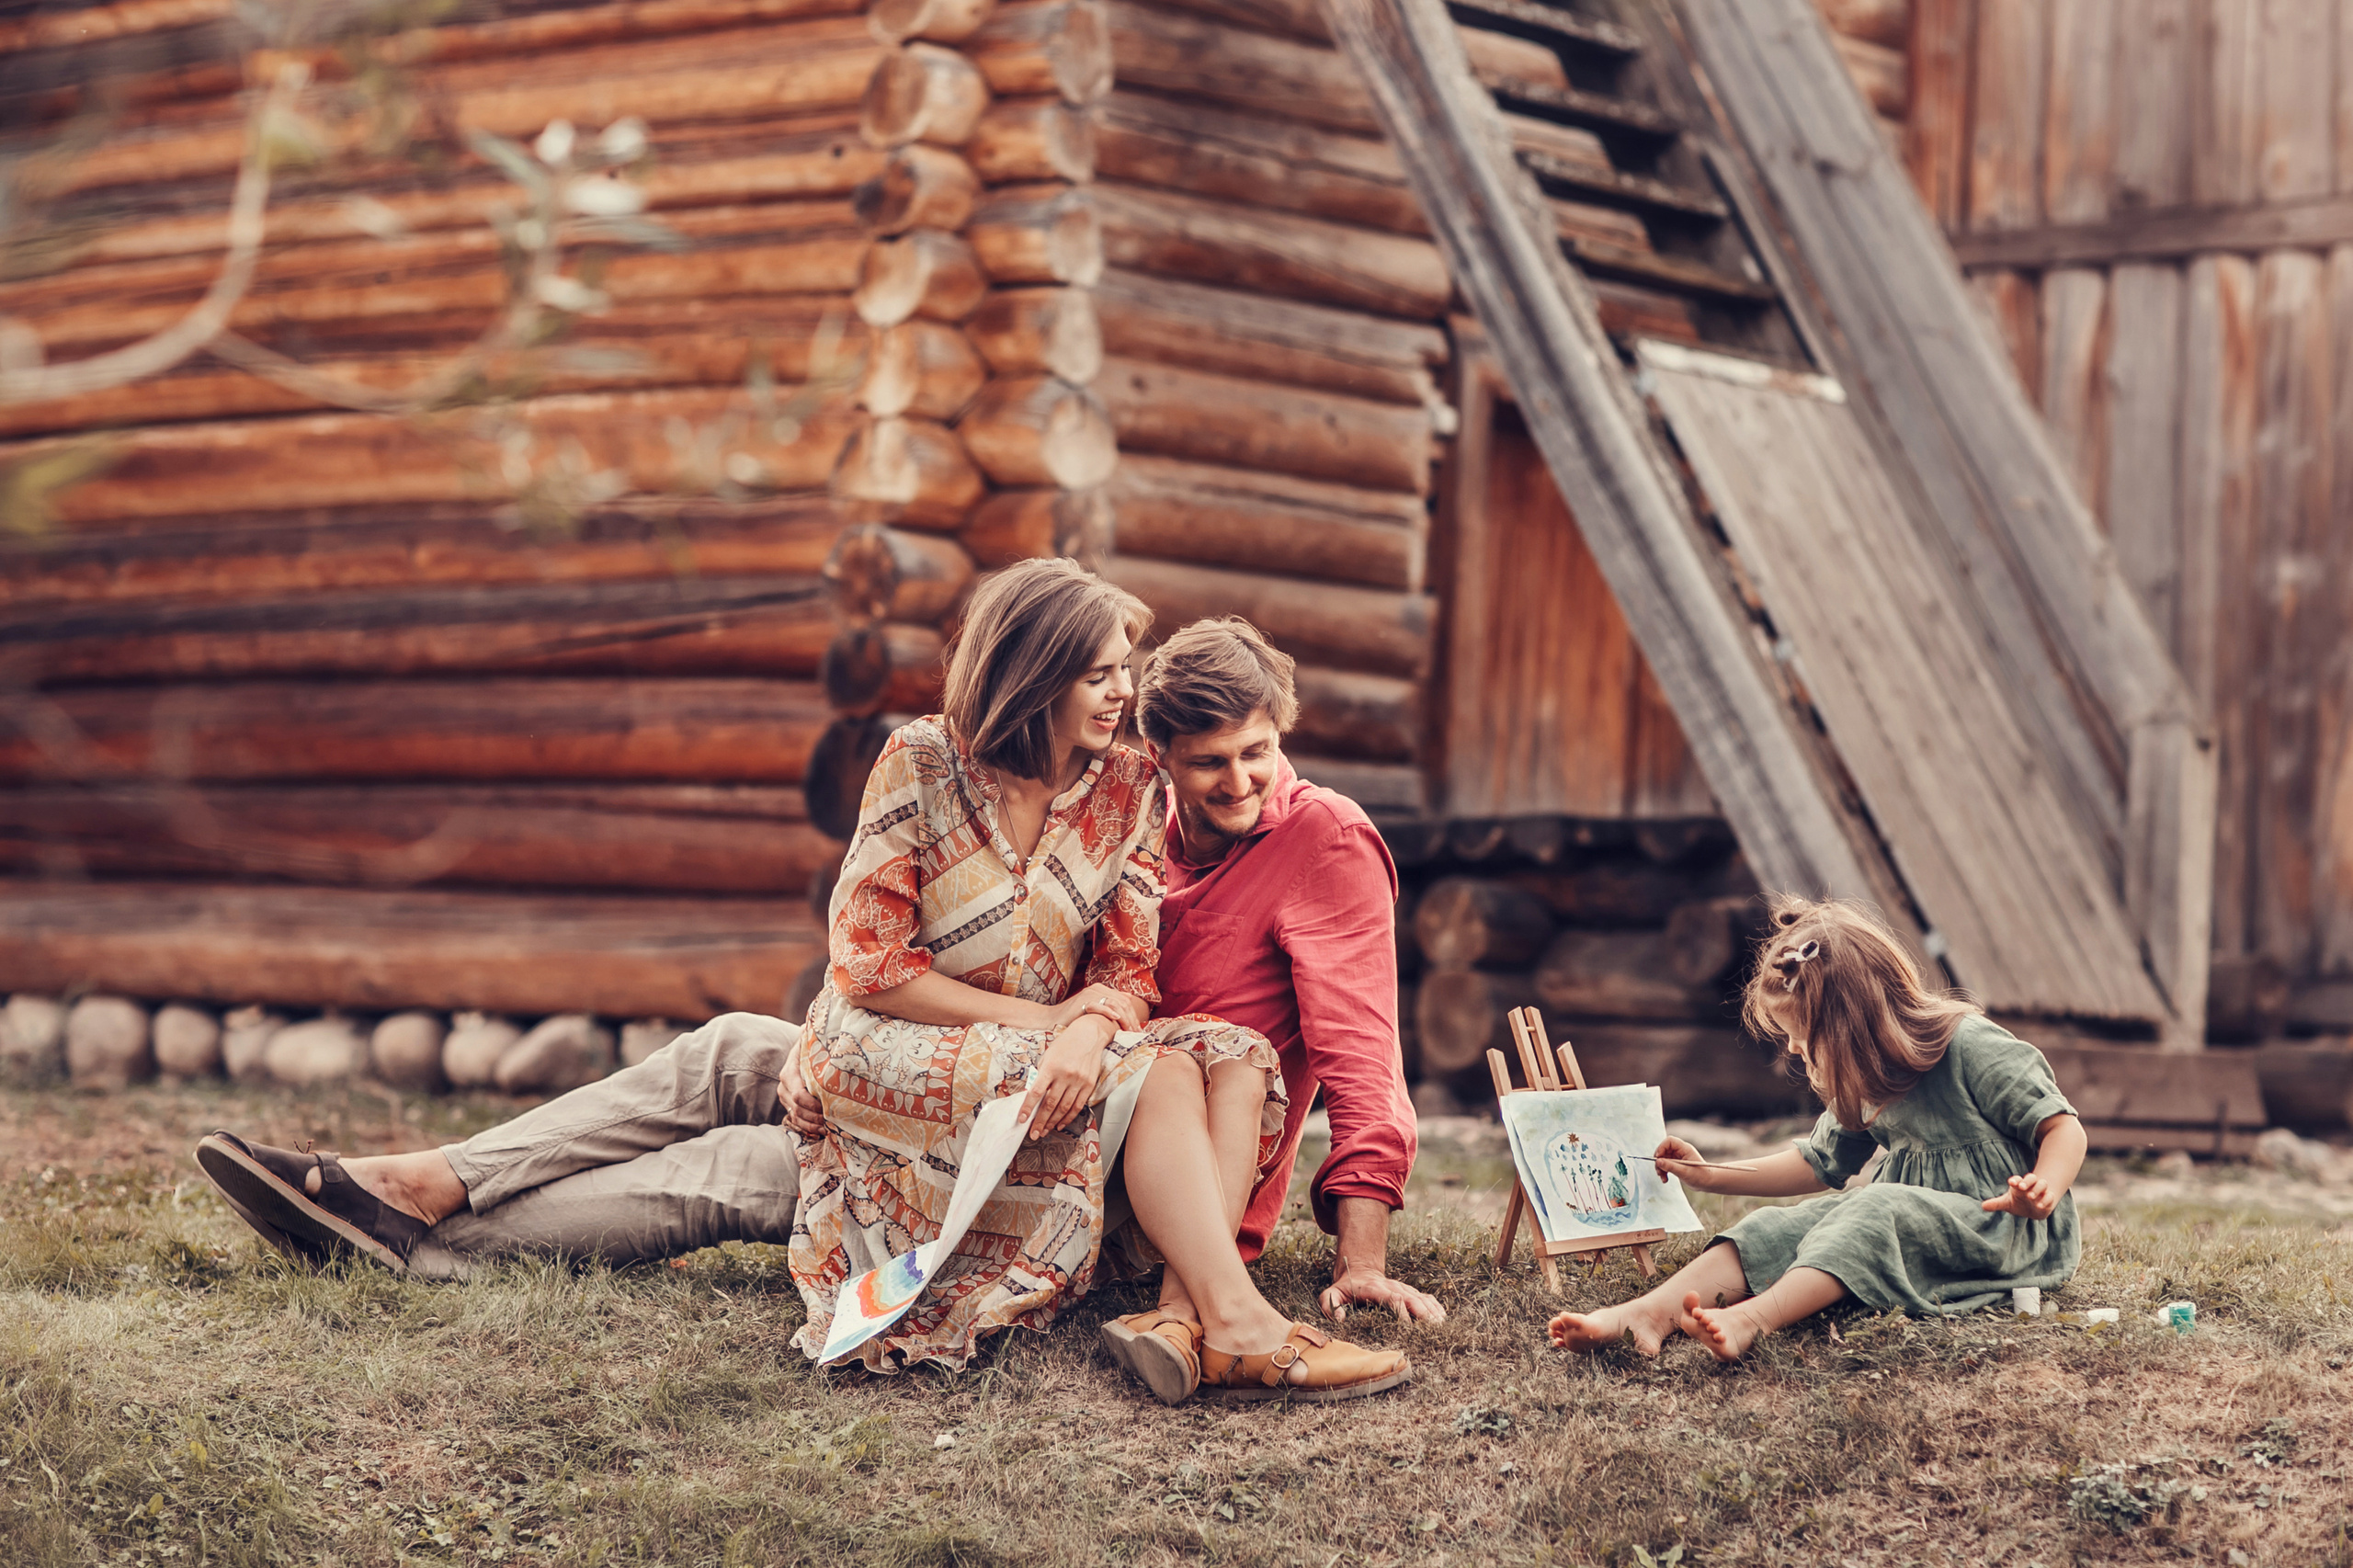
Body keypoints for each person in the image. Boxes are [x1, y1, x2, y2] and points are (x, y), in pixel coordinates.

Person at [198, 563, 1410, 1403]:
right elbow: (876, 964)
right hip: (971, 1074)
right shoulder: (966, 768)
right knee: (732, 1048)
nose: (1138, 707)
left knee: (741, 1170)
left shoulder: (1195, 806)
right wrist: (1067, 1020)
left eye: (1252, 753)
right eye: (1110, 676)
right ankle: (413, 1190)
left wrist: (1357, 1247)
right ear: (1039, 677)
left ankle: (423, 1238)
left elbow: (1313, 1034)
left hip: (1060, 1123)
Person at [1105, 618, 1442, 1374]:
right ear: (1157, 758)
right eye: (1208, 763)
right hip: (1095, 1149)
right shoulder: (1128, 833)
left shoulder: (1326, 840)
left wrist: (1362, 1261)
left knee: (1223, 1056)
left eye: (1257, 752)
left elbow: (1361, 1055)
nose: (1238, 782)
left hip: (1209, 1171)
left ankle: (1188, 1309)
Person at [1546, 894, 2086, 1362]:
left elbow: (2062, 1128)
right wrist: (1710, 1174)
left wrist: (2045, 1188)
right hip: (1914, 1220)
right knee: (1781, 1226)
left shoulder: (1972, 1045)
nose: (1796, 1049)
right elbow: (1817, 1164)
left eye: (1804, 1034)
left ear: (1855, 1021)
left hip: (2004, 1230)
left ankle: (1750, 1320)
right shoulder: (1866, 1074)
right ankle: (1646, 1314)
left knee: (1871, 1208)